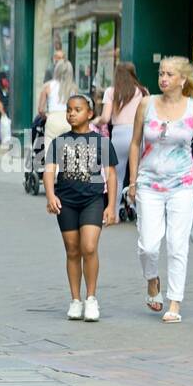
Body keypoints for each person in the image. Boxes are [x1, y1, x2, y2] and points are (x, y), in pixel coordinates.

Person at [128, 56, 193, 324]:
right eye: (161, 73)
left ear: (182, 80)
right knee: (148, 245)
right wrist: (132, 180)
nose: (163, 78)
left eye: (169, 74)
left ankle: (174, 302)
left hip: (182, 185)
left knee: (177, 245)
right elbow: (135, 143)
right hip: (149, 184)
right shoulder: (146, 104)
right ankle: (152, 280)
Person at [43, 94, 118, 322]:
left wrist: (112, 205)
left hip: (93, 200)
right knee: (72, 250)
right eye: (69, 109)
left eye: (77, 109)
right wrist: (50, 195)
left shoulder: (101, 142)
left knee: (89, 246)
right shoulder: (59, 142)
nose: (71, 113)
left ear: (90, 114)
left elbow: (112, 174)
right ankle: (76, 300)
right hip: (66, 202)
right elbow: (49, 170)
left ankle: (91, 298)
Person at [95, 61, 147, 210]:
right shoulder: (143, 92)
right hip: (138, 135)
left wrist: (94, 121)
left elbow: (105, 118)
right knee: (139, 175)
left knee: (116, 176)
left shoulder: (111, 92)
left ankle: (114, 211)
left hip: (119, 135)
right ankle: (139, 211)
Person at [38, 58, 77, 154]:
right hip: (69, 121)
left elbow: (40, 109)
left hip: (53, 120)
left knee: (51, 157)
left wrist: (46, 116)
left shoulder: (47, 86)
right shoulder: (74, 88)